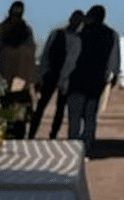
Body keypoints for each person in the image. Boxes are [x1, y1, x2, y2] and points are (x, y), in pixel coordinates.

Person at [64, 5, 119, 154]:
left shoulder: (81, 33)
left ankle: (73, 146)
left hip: (77, 79)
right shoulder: (111, 34)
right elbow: (114, 61)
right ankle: (87, 145)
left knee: (74, 117)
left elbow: (72, 58)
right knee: (90, 116)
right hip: (96, 81)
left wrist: (64, 79)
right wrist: (111, 78)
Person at [0, 1, 38, 139]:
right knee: (18, 118)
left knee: (2, 112)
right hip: (20, 81)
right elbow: (31, 56)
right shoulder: (27, 32)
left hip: (2, 79)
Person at [29, 10, 83, 139]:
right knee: (53, 108)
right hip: (59, 76)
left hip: (54, 75)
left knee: (45, 106)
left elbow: (46, 55)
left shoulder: (59, 34)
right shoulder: (76, 39)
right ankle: (48, 134)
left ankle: (36, 133)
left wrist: (41, 74)